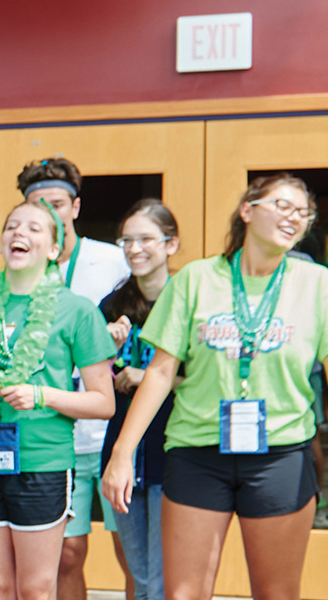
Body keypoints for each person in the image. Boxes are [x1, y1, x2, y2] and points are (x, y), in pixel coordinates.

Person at [103, 173, 328, 600]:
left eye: (303, 212)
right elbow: (161, 372)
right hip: (196, 452)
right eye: (282, 205)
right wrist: (122, 454)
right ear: (247, 210)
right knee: (182, 594)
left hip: (280, 454)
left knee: (276, 593)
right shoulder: (196, 279)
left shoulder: (317, 284)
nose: (294, 216)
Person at [0, 201, 116, 600]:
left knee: (35, 589)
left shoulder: (78, 311)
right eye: (12, 226)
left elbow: (104, 403)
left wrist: (42, 395)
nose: (19, 233)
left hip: (42, 462)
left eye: (34, 228)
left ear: (53, 249)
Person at [14, 157, 129, 600]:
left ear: (76, 207)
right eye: (37, 206)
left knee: (131, 548)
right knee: (67, 553)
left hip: (117, 428)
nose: (49, 214)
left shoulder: (113, 260)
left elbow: (146, 323)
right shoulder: (19, 270)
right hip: (63, 433)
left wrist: (122, 335)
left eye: (57, 204)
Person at [98, 199, 182, 600]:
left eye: (146, 239)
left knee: (166, 577)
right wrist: (108, 353)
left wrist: (147, 376)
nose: (134, 248)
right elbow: (93, 380)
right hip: (122, 452)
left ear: (171, 244)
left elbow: (205, 377)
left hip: (176, 450)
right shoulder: (110, 307)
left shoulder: (188, 300)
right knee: (141, 576)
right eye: (126, 240)